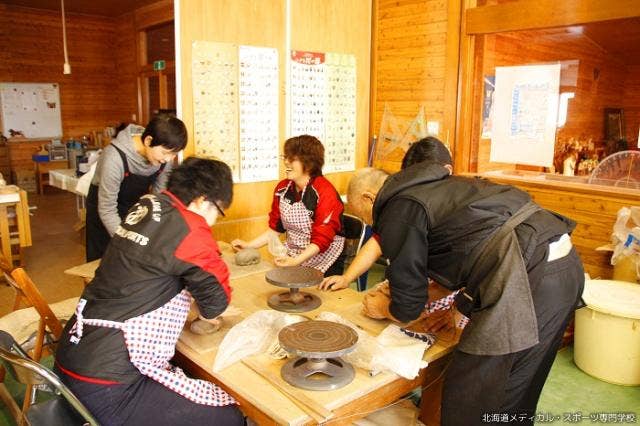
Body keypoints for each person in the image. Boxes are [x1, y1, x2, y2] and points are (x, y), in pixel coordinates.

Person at [321, 137, 584, 425]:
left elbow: (409, 305)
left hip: (529, 274)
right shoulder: (444, 190)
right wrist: (458, 306)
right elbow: (473, 256)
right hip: (561, 266)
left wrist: (384, 309)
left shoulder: (400, 207)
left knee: (474, 392)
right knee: (518, 384)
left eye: (366, 218)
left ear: (369, 198)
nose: (373, 227)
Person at [55, 158, 243, 426]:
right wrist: (206, 310)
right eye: (219, 212)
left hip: (72, 356)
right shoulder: (190, 228)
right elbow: (216, 304)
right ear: (202, 201)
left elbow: (153, 271)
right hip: (105, 385)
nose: (213, 222)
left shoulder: (148, 205)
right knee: (227, 416)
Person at [232, 135, 345, 275]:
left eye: (291, 159)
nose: (286, 162)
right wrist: (249, 245)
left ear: (309, 163)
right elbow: (276, 229)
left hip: (324, 258)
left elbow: (321, 240)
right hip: (294, 254)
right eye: (285, 157)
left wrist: (297, 261)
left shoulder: (325, 192)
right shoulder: (282, 189)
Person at [85, 114, 187, 261]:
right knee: (104, 262)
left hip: (132, 206)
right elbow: (107, 209)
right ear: (148, 140)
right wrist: (129, 242)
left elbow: (160, 199)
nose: (168, 159)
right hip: (104, 209)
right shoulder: (114, 158)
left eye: (174, 154)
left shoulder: (164, 159)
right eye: (165, 153)